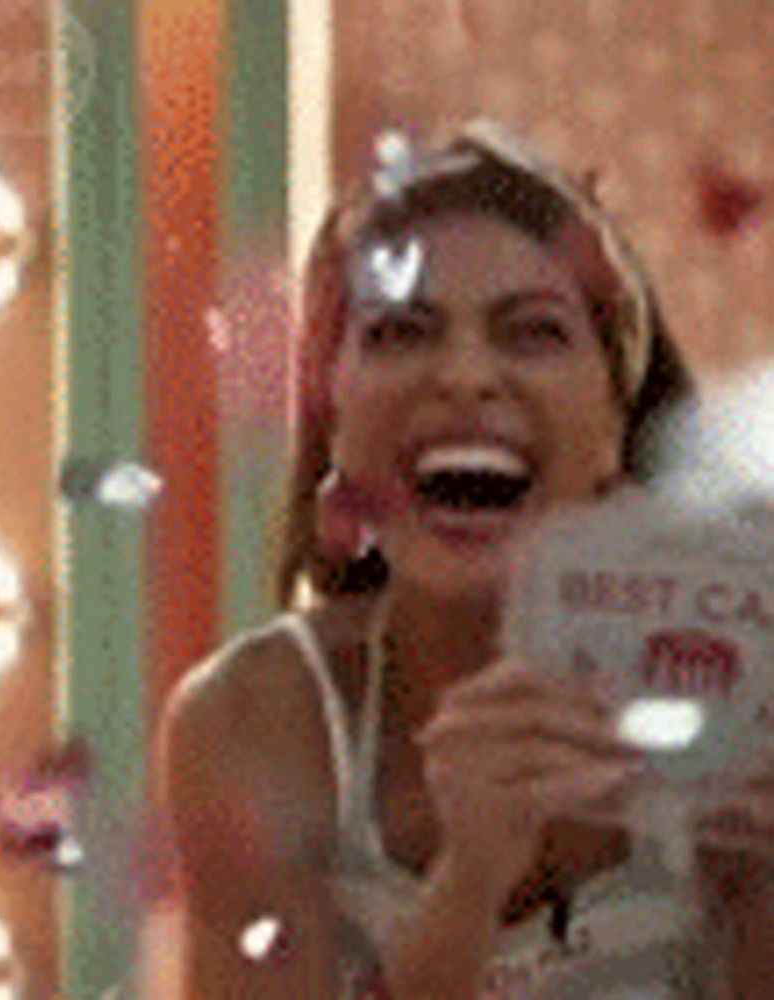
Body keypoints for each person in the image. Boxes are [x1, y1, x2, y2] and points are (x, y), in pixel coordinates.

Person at [156, 122, 771, 998]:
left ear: (613, 419)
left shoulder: (734, 689)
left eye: (534, 332)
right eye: (401, 331)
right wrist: (470, 881)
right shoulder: (253, 721)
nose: (465, 377)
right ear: (333, 409)